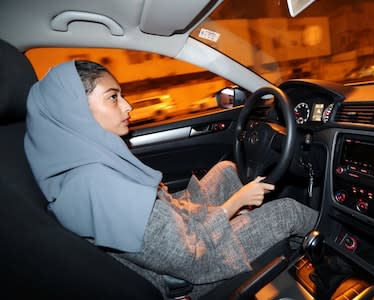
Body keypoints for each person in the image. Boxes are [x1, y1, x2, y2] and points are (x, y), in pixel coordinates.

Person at [24, 60, 319, 299]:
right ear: (76, 111)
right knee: (287, 212)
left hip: (178, 236)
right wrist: (233, 206)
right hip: (189, 276)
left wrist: (229, 208)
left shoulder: (85, 160)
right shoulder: (99, 188)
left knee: (227, 170)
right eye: (113, 97)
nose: (128, 106)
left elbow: (162, 220)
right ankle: (339, 258)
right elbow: (190, 257)